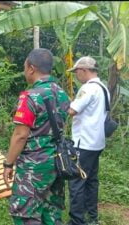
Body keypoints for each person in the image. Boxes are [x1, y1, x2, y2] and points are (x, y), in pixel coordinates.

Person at [3, 48, 70, 225]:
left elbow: (20, 135)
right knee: (51, 211)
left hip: (34, 165)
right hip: (57, 162)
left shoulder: (30, 97)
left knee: (24, 213)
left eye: (25, 67)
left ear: (31, 68)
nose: (24, 71)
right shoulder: (62, 93)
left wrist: (8, 163)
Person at [66, 56, 108, 225]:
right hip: (97, 142)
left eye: (76, 72)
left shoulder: (88, 88)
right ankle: (92, 217)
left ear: (83, 70)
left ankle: (77, 221)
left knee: (76, 181)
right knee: (91, 181)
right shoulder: (103, 87)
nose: (76, 75)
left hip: (84, 142)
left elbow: (72, 111)